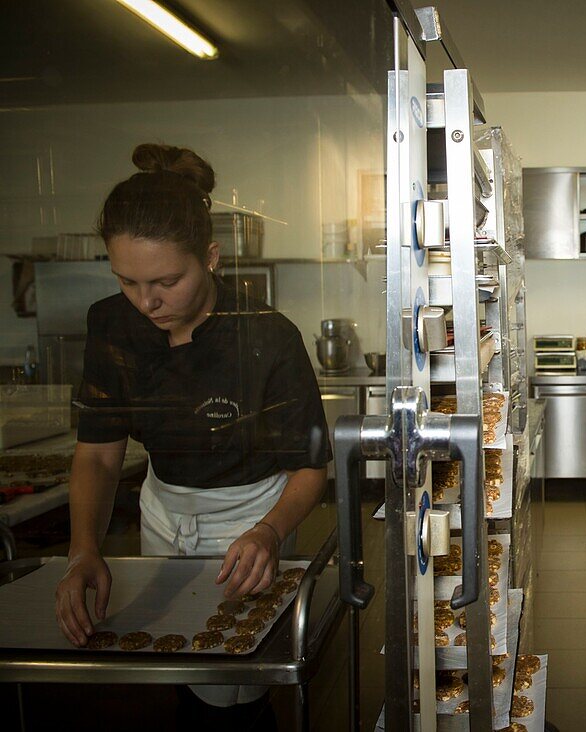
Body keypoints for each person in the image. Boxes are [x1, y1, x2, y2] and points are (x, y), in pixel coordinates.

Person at [53, 143, 329, 717]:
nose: (146, 302)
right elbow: (100, 456)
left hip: (253, 515)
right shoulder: (111, 325)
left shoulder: (265, 336)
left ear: (211, 257)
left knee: (236, 687)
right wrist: (83, 550)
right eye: (127, 281)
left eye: (166, 281)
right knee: (176, 666)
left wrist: (270, 533)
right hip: (163, 512)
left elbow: (309, 466)